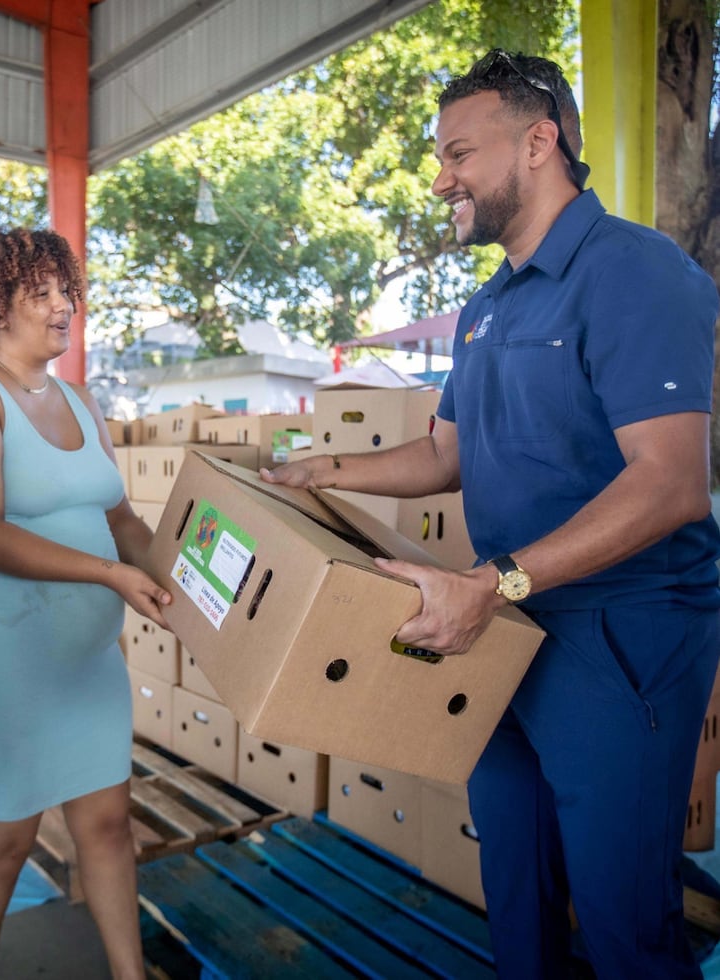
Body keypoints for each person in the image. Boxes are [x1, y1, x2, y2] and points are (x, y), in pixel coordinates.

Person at [263, 49, 720, 979]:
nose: (441, 180)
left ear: (540, 142)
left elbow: (672, 482)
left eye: (459, 153)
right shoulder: (484, 307)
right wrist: (323, 472)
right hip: (505, 625)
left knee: (625, 919)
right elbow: (444, 454)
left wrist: (494, 581)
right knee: (516, 893)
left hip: (619, 632)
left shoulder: (634, 271)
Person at [0, 224, 171, 980]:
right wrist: (108, 577)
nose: (64, 307)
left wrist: (182, 584)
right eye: (42, 294)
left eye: (68, 291)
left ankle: (132, 976)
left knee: (106, 824)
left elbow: (120, 519)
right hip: (13, 662)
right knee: (4, 843)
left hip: (90, 661)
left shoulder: (78, 399)